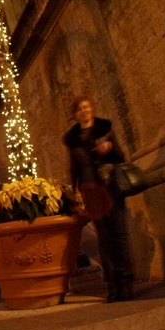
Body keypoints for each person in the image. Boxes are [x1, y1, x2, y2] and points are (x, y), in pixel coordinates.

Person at [63, 96, 136, 303]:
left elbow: (121, 157)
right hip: (91, 191)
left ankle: (127, 284)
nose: (84, 111)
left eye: (87, 107)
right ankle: (113, 286)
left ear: (92, 110)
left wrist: (109, 149)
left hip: (111, 187)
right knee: (104, 239)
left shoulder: (104, 129)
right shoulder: (73, 139)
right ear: (76, 114)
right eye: (80, 109)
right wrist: (75, 190)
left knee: (119, 235)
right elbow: (74, 167)